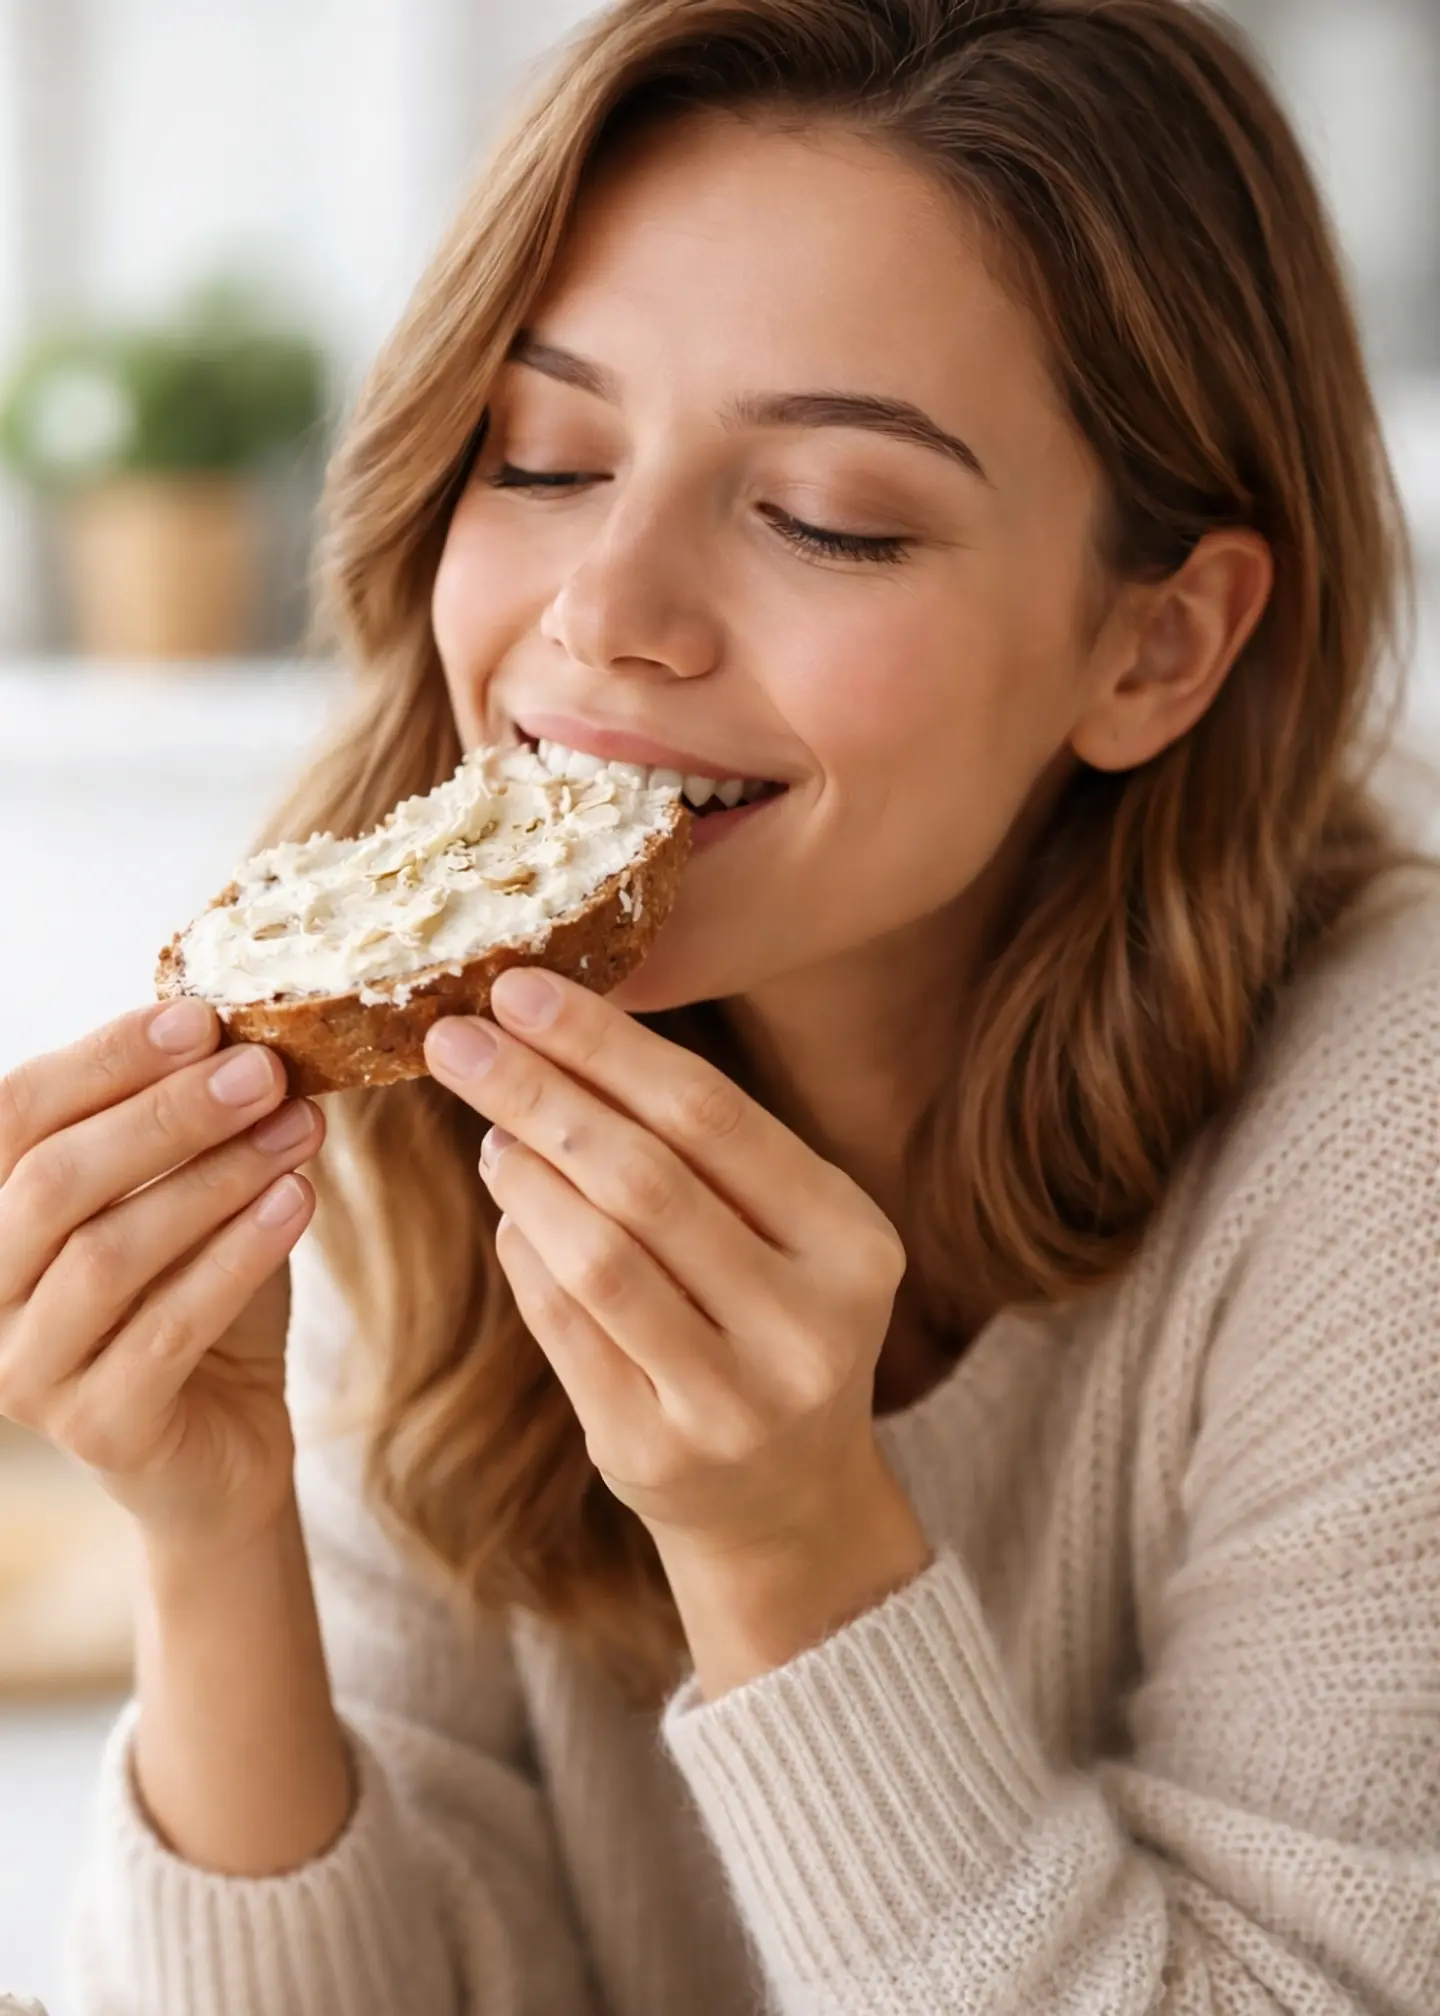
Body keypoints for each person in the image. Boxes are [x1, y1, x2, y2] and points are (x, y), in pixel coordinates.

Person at [0, 0, 1435, 2009]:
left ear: (1156, 646)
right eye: (543, 458)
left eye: (829, 514)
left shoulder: (1392, 1156)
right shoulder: (410, 1085)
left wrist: (790, 1549)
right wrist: (212, 1537)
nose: (604, 613)